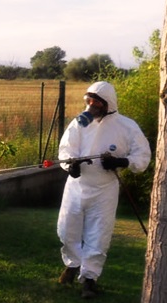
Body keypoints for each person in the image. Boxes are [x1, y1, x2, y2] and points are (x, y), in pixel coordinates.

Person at [56, 81, 151, 299]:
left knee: (98, 235)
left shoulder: (127, 126)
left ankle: (89, 279)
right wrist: (70, 166)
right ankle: (72, 265)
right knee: (66, 229)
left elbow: (143, 156)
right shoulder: (79, 123)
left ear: (108, 104)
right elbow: (66, 149)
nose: (91, 106)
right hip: (76, 187)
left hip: (104, 190)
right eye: (88, 101)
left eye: (96, 102)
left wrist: (122, 162)